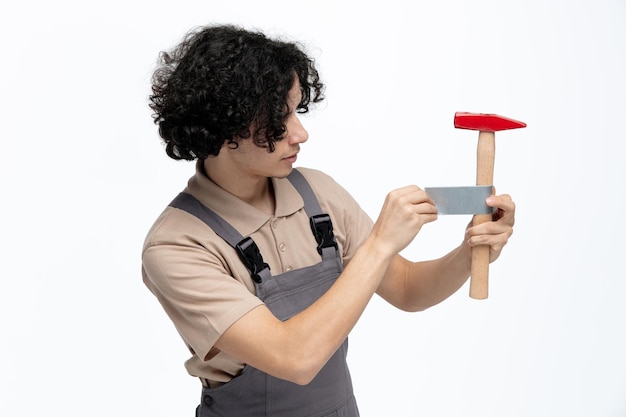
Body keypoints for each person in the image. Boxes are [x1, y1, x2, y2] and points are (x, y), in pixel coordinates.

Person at [142, 24, 515, 417]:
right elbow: (294, 358)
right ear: (223, 122)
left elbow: (406, 288)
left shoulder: (316, 194)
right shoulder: (177, 244)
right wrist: (381, 243)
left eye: (296, 109)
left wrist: (470, 250)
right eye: (277, 117)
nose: (300, 133)